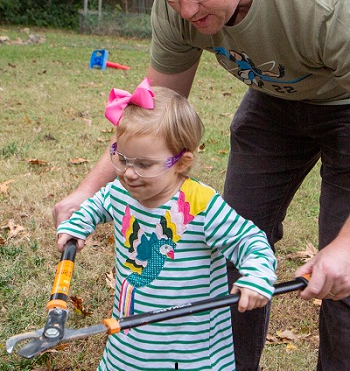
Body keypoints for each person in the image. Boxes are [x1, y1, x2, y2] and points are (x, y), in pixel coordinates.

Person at [52, 0, 350, 371]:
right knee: (235, 250)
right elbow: (149, 113)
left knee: (342, 280)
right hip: (276, 99)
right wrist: (87, 190)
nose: (185, 11)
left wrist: (346, 244)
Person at [56, 78, 277, 371]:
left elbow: (251, 242)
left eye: (143, 164)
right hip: (129, 341)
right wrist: (77, 225)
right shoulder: (121, 191)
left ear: (182, 162)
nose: (129, 173)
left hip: (192, 351)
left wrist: (257, 275)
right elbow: (96, 205)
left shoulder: (200, 204)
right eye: (121, 159)